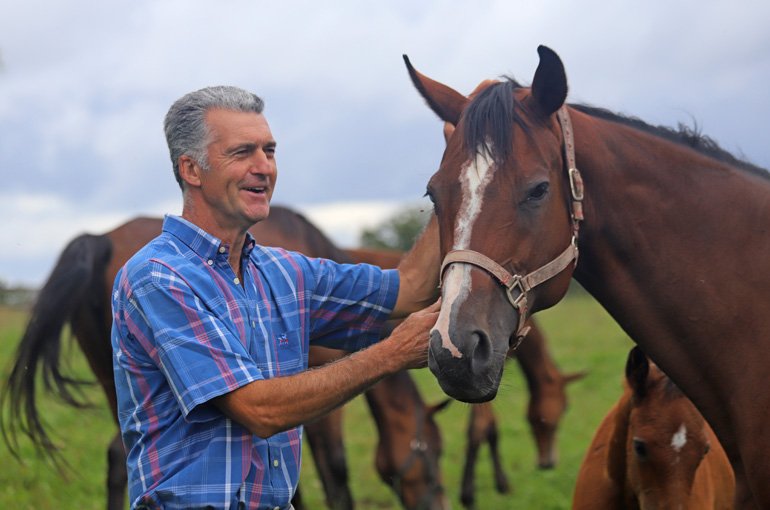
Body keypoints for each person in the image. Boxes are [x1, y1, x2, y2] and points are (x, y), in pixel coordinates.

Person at [110, 85, 441, 510]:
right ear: (191, 169)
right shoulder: (159, 277)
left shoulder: (285, 273)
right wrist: (391, 354)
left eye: (269, 151)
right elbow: (259, 410)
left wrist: (460, 171)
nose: (264, 167)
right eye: (242, 152)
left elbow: (411, 288)